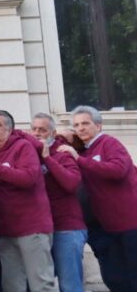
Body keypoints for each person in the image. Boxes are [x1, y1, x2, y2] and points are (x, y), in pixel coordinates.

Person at [0, 110, 55, 292]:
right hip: (6, 231)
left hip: (33, 229)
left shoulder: (23, 147)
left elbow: (28, 178)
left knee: (41, 284)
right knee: (11, 286)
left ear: (9, 130)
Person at [57, 105, 137, 291]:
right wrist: (62, 136)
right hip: (103, 228)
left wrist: (79, 159)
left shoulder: (109, 143)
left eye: (86, 123)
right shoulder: (83, 150)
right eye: (76, 125)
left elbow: (118, 170)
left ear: (98, 126)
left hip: (130, 225)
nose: (81, 128)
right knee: (114, 279)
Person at [30, 112, 86, 292]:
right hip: (39, 229)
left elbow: (71, 184)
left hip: (66, 228)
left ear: (53, 134)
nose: (37, 133)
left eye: (43, 130)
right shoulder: (28, 154)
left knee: (69, 285)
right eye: (34, 129)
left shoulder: (63, 153)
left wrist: (47, 158)